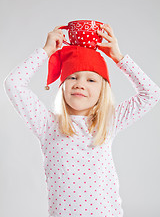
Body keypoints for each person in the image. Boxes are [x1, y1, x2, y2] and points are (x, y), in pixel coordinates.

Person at [4, 24, 160, 217]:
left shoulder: (109, 122)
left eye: (91, 80)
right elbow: (14, 84)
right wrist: (46, 51)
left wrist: (118, 58)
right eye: (72, 77)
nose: (79, 84)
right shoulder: (47, 125)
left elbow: (151, 94)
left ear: (103, 90)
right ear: (62, 86)